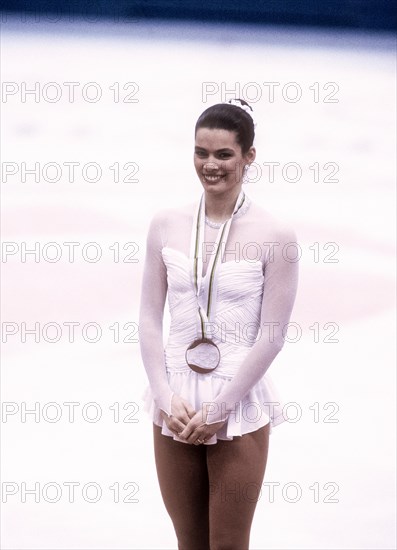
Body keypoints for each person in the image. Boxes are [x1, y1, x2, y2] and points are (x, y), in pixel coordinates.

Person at [139, 98, 299, 550]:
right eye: (201, 153)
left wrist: (222, 407)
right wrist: (164, 394)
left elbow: (272, 335)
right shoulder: (166, 223)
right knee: (189, 542)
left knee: (227, 544)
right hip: (174, 401)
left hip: (237, 401)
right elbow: (149, 319)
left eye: (224, 154)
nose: (210, 165)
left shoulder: (275, 234)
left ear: (249, 156)